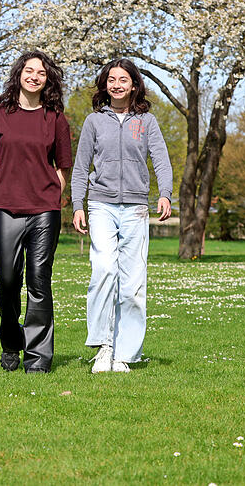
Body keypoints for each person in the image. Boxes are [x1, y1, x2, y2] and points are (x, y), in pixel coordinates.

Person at [70, 58, 173, 374]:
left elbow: (162, 161)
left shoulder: (147, 122)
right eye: (111, 79)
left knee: (131, 284)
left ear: (134, 85)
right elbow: (80, 166)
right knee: (103, 270)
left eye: (123, 79)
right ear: (105, 85)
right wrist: (77, 204)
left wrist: (165, 193)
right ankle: (103, 347)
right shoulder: (93, 122)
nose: (117, 84)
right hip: (100, 205)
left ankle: (125, 354)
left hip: (136, 208)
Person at [0, 51, 73, 373]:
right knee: (7, 281)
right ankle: (10, 342)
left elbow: (64, 167)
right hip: (6, 209)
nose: (34, 76)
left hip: (45, 211)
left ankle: (38, 358)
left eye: (42, 73)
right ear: (19, 74)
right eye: (29, 70)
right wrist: (6, 191)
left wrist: (49, 195)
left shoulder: (56, 119)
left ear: (48, 80)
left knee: (38, 280)